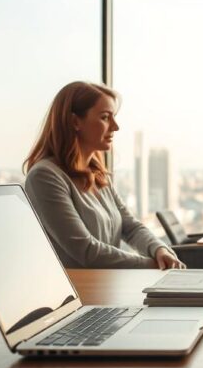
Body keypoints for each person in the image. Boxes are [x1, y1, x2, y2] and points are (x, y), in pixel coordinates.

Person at [23, 81, 184, 270]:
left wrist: (159, 250)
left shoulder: (98, 174)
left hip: (107, 282)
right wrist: (154, 265)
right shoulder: (44, 177)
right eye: (105, 117)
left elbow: (130, 227)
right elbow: (86, 251)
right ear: (75, 122)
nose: (115, 127)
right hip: (81, 287)